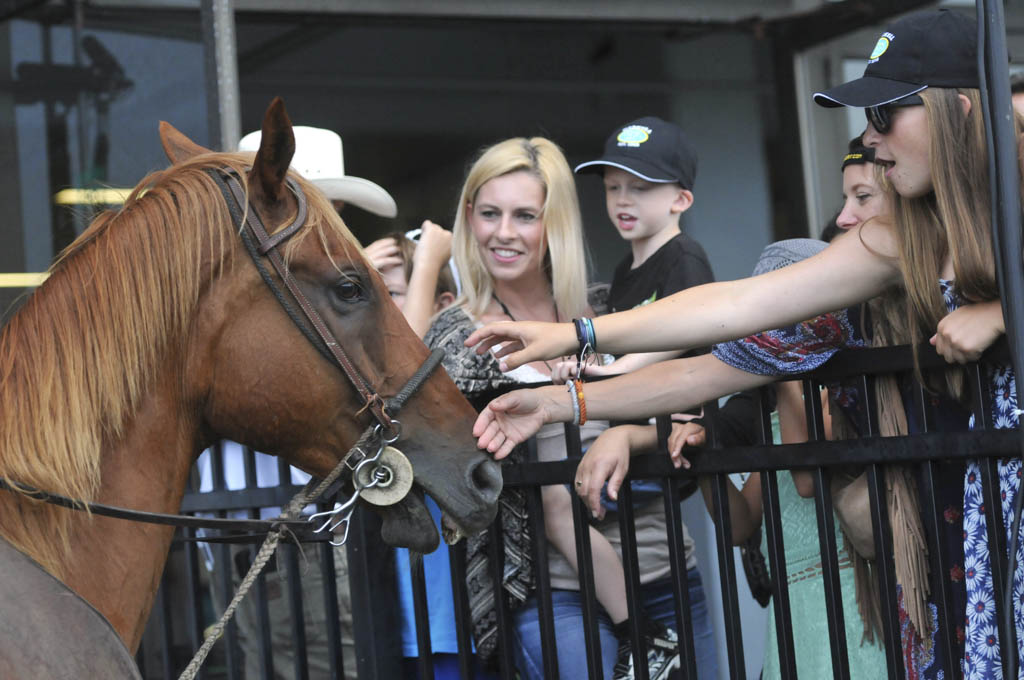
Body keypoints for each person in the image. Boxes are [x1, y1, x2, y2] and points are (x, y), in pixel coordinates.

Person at [464, 9, 1017, 678]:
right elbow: (732, 316)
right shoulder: (900, 237)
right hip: (970, 533)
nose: (869, 137)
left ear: (958, 109)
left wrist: (1004, 315)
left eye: (885, 115)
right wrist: (568, 379)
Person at [421, 136, 713, 680]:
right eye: (489, 213)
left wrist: (627, 435)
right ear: (469, 217)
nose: (503, 232)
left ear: (554, 224)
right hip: (554, 594)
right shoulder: (456, 336)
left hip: (669, 569)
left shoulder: (608, 309)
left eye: (524, 215)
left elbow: (688, 406)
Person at [197, 125, 399, 680]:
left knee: (322, 661)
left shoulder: (326, 285)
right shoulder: (248, 283)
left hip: (299, 524)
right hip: (247, 526)